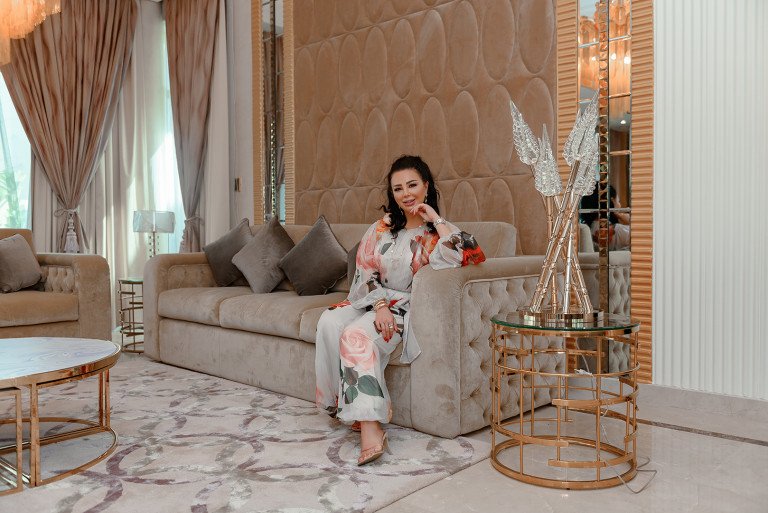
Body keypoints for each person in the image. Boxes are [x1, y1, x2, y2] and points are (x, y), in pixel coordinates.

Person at [314, 155, 486, 466]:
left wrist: (435, 218)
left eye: (411, 185)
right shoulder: (382, 227)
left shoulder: (436, 234)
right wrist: (378, 305)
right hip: (370, 299)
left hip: (405, 308)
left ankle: (369, 426)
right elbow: (364, 270)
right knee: (328, 320)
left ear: (426, 187)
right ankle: (341, 405)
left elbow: (471, 255)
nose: (405, 194)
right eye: (397, 189)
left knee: (355, 335)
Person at [579, 186, 630, 251]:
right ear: (612, 201)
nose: (620, 205)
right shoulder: (618, 230)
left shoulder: (588, 229)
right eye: (618, 201)